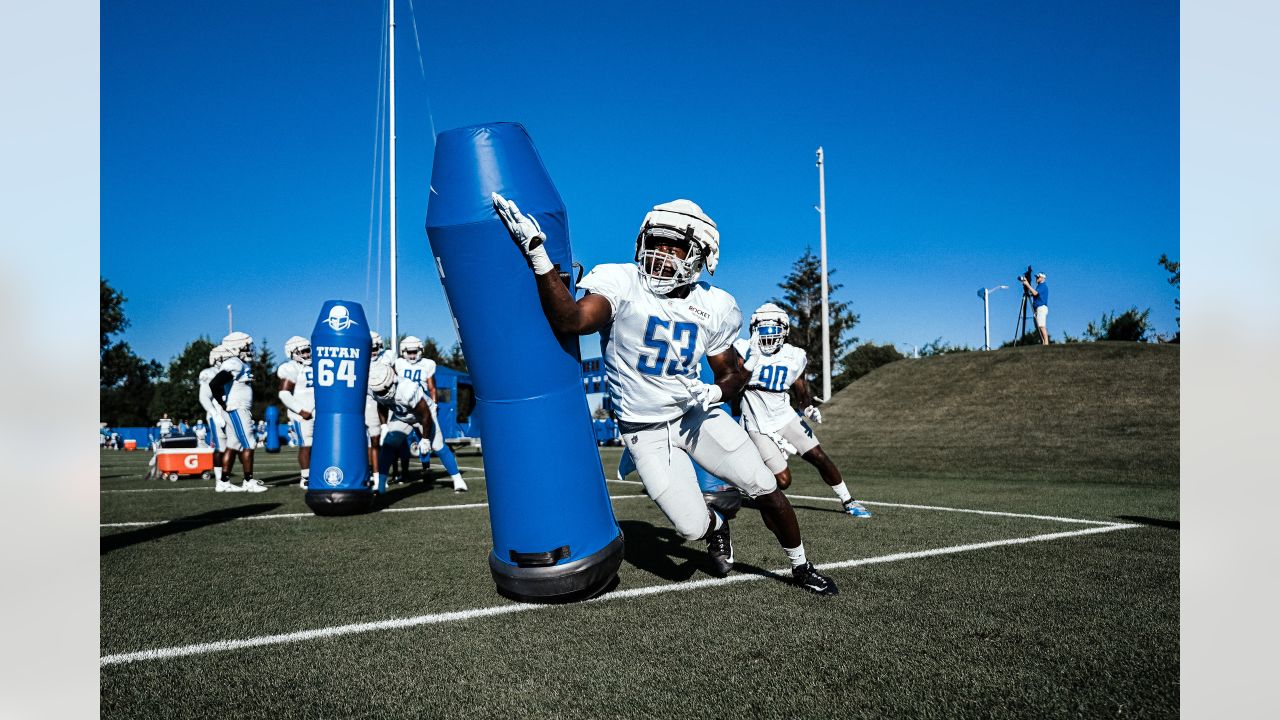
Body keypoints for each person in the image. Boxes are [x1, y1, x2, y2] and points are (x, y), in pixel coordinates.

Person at [492, 192, 838, 595]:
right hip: (645, 429)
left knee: (765, 485)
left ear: (701, 254)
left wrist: (713, 392)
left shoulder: (716, 305)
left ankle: (800, 567)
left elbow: (733, 373)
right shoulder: (620, 281)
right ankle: (717, 526)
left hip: (695, 416)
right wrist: (537, 254)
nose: (661, 253)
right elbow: (572, 320)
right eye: (655, 242)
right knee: (690, 527)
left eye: (674, 246)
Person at [733, 303, 872, 518]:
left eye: (773, 330)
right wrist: (750, 363)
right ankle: (745, 479)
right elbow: (733, 386)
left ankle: (848, 500)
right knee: (783, 482)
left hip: (784, 416)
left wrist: (808, 408)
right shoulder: (742, 348)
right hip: (757, 423)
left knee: (818, 455)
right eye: (763, 329)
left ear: (784, 331)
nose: (768, 335)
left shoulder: (795, 356)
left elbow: (801, 390)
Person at [395, 335, 467, 492]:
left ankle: (457, 478)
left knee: (435, 443)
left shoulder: (427, 364)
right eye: (409, 352)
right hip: (403, 409)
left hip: (422, 408)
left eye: (415, 351)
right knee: (396, 442)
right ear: (403, 351)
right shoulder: (398, 364)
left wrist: (433, 405)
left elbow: (432, 387)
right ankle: (381, 479)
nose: (413, 355)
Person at [207, 331, 267, 492]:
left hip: (238, 407)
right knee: (249, 443)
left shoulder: (240, 363)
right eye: (247, 346)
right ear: (237, 347)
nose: (250, 349)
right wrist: (223, 402)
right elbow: (215, 384)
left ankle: (223, 482)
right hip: (237, 408)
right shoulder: (235, 363)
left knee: (233, 444)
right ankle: (248, 481)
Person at [367, 362, 436, 494]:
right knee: (388, 445)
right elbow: (381, 403)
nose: (382, 393)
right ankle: (380, 486)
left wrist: (425, 439)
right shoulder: (373, 386)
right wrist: (384, 425)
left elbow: (426, 414)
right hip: (401, 416)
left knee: (437, 445)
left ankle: (455, 478)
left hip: (420, 413)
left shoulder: (407, 388)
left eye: (384, 389)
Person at [277, 335, 315, 488]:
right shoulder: (291, 368)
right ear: (292, 353)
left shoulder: (313, 366)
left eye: (308, 350)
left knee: (317, 444)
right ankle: (305, 477)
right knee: (306, 444)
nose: (307, 354)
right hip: (302, 414)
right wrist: (301, 411)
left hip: (317, 412)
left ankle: (315, 473)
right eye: (303, 351)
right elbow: (284, 393)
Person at [198, 344, 234, 488]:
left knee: (232, 448)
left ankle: (226, 479)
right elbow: (204, 397)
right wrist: (214, 414)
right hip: (217, 414)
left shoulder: (232, 371)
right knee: (221, 447)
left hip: (230, 413)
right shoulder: (210, 373)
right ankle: (221, 481)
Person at [1019, 271, 1050, 345]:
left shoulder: (1043, 286)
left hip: (1041, 307)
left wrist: (1027, 285)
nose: (1036, 278)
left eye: (1038, 277)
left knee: (1041, 325)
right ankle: (1043, 342)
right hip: (1037, 308)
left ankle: (1046, 343)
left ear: (1042, 278)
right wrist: (1027, 286)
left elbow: (1035, 293)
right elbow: (1034, 293)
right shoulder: (1039, 286)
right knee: (1038, 327)